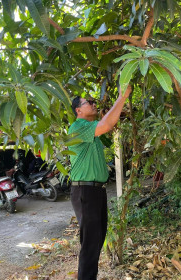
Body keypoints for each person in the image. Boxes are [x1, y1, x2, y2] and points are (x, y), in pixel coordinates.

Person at [68, 84, 132, 280]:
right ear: (78, 110)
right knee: (90, 243)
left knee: (96, 239)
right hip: (85, 192)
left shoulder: (90, 132)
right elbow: (106, 125)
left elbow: (104, 123)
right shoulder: (77, 127)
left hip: (95, 192)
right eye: (90, 103)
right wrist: (122, 97)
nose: (94, 104)